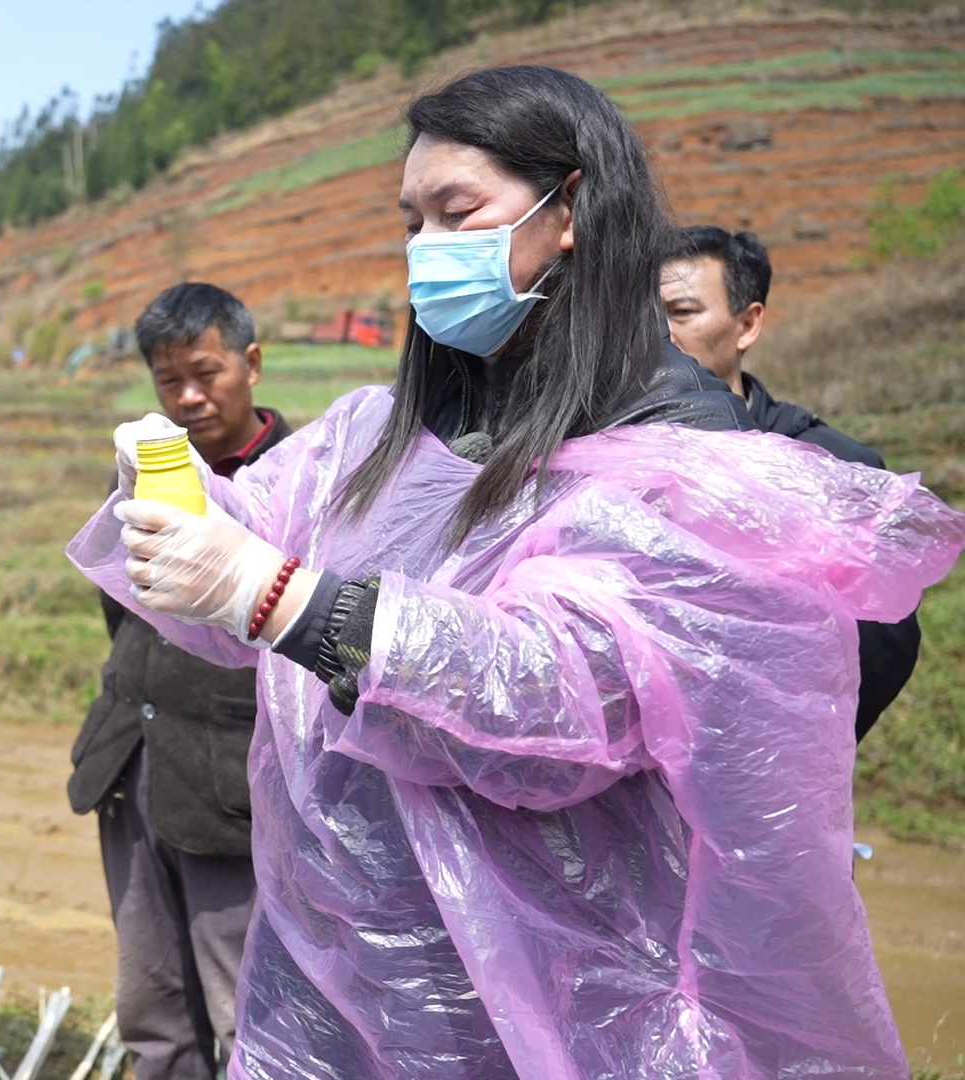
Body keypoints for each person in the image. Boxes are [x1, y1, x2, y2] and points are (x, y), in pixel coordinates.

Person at [67, 67, 964, 1079]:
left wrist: (279, 598)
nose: (426, 250)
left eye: (457, 215)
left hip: (556, 994)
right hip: (338, 979)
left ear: (569, 207)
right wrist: (179, 499)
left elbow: (559, 694)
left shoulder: (680, 460)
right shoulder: (382, 432)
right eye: (412, 222)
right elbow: (254, 541)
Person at [68, 283, 289, 1080]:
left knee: (247, 1014)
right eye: (170, 381)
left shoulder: (300, 482)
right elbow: (123, 609)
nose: (189, 397)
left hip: (238, 790)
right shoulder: (150, 475)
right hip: (133, 768)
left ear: (251, 363)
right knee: (153, 1011)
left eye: (206, 373)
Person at [660, 226, 920, 740]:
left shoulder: (830, 464)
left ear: (747, 324)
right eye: (644, 315)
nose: (659, 334)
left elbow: (882, 643)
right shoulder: (606, 451)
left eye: (682, 312)